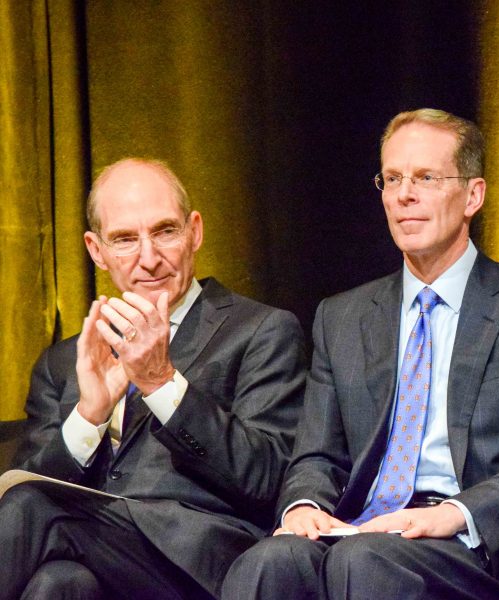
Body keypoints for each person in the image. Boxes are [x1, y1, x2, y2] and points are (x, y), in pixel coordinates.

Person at [222, 109, 499, 600]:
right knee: (268, 562)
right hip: (358, 525)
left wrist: (452, 514)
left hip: (465, 540)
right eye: (392, 179)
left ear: (473, 195)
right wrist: (302, 506)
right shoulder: (342, 316)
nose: (404, 194)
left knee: (365, 559)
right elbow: (317, 454)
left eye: (426, 178)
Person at [1, 158, 306, 600]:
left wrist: (161, 382)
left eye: (165, 231)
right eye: (125, 239)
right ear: (95, 249)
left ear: (195, 231)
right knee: (59, 583)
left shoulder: (261, 330)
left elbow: (266, 477)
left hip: (201, 559)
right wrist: (90, 415)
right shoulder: (65, 362)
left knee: (34, 507)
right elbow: (26, 490)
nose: (149, 258)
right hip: (95, 553)